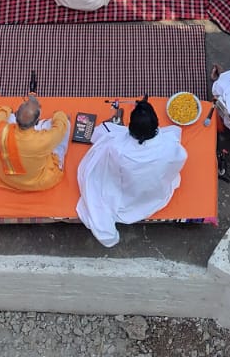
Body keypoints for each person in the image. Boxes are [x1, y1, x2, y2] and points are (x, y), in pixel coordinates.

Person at [76, 98, 189, 248]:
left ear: (130, 127)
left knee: (97, 169)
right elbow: (177, 163)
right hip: (155, 194)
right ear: (156, 124)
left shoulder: (117, 147)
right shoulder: (171, 145)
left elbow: (104, 159)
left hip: (127, 194)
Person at [0, 93, 71, 191]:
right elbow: (60, 126)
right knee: (66, 125)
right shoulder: (43, 139)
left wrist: (8, 109)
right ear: (37, 120)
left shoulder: (2, 130)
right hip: (38, 182)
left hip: (6, 178)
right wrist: (60, 115)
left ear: (16, 116)